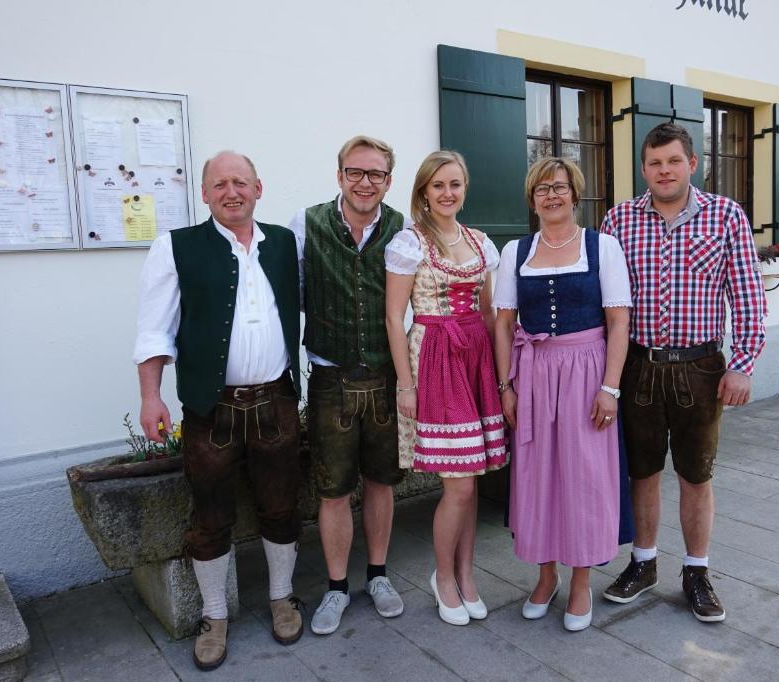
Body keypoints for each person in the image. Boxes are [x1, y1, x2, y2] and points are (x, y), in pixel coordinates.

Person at [134, 151, 304, 669]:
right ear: (204, 193)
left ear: (259, 188)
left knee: (281, 506)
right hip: (212, 409)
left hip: (276, 401)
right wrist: (150, 395)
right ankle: (214, 615)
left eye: (241, 182)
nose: (232, 192)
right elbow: (154, 328)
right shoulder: (175, 247)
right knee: (209, 516)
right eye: (220, 184)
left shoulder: (284, 243)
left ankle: (281, 597)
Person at [599, 122, 766, 623]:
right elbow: (604, 305)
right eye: (654, 163)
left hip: (701, 368)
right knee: (642, 473)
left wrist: (741, 365)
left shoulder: (725, 216)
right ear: (644, 168)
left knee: (696, 476)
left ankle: (696, 572)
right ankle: (644, 562)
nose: (664, 170)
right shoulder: (618, 221)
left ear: (692, 164)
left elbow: (749, 299)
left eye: (673, 161)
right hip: (639, 368)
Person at [493, 157, 631, 632]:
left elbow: (618, 322)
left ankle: (580, 582)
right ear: (532, 199)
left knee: (585, 477)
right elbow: (504, 324)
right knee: (536, 475)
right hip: (533, 373)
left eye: (560, 187)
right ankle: (545, 575)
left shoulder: (602, 247)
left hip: (586, 370)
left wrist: (610, 388)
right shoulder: (516, 250)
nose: (551, 196)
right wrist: (505, 384)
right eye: (542, 189)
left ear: (576, 193)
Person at [286, 135, 412, 636]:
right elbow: (288, 291)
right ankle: (336, 587)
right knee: (333, 489)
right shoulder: (306, 223)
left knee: (382, 481)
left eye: (375, 174)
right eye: (355, 173)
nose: (365, 182)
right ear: (339, 176)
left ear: (388, 180)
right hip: (331, 378)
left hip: (384, 377)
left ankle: (377, 576)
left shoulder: (403, 230)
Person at [384, 150, 507, 626]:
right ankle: (442, 576)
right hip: (434, 355)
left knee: (472, 482)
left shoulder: (480, 242)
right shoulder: (410, 243)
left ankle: (466, 574)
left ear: (464, 188)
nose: (447, 193)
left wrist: (501, 377)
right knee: (457, 485)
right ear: (423, 192)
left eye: (455, 184)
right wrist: (406, 385)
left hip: (474, 356)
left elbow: (492, 314)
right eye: (438, 185)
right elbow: (395, 319)